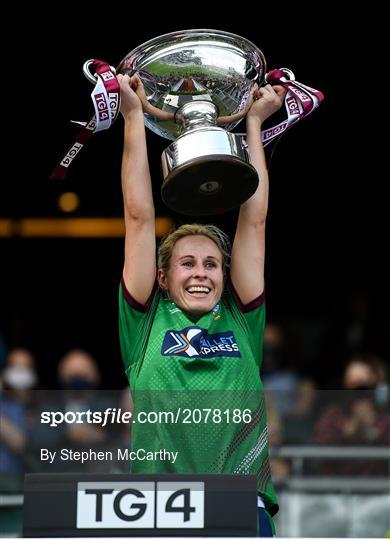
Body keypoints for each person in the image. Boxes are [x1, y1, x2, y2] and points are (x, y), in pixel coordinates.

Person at [117, 72, 286, 536]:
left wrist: (253, 124)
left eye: (212, 265)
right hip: (160, 508)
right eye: (187, 264)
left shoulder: (240, 317)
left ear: (224, 276)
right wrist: (134, 118)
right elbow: (138, 218)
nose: (200, 273)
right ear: (163, 278)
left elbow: (254, 223)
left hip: (239, 505)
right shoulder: (145, 321)